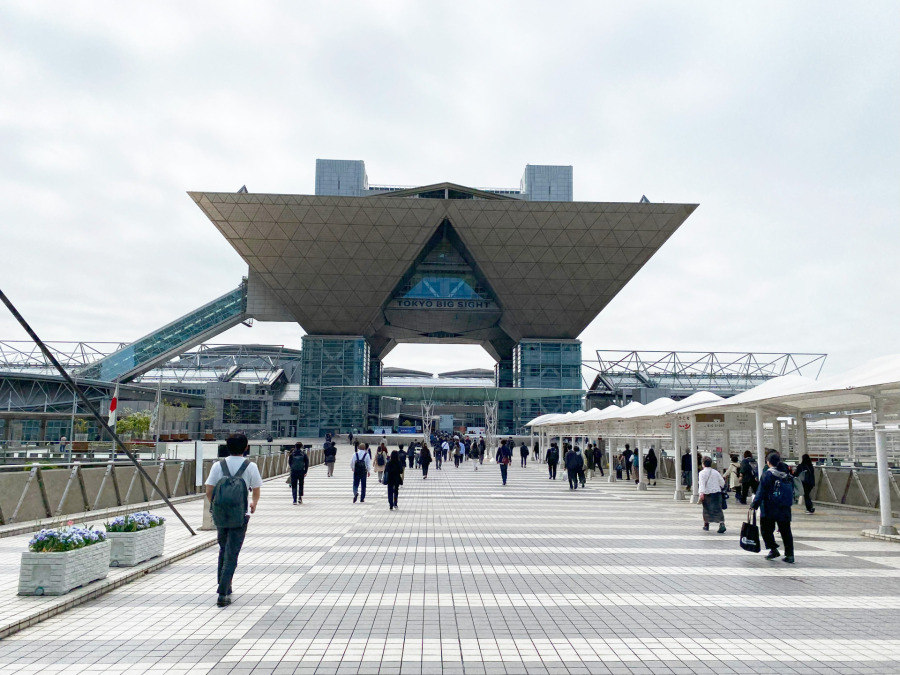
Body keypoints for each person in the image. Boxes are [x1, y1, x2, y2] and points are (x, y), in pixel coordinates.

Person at [205, 433, 263, 607]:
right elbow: (257, 489)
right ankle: (223, 592)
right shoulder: (250, 466)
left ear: (227, 446)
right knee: (233, 552)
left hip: (221, 514)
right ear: (246, 447)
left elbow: (209, 490)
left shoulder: (218, 466)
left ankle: (224, 584)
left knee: (223, 548)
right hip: (240, 515)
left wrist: (216, 505)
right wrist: (253, 503)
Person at [752, 452, 795, 563]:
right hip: (784, 507)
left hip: (769, 507)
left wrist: (755, 504)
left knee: (766, 530)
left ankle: (773, 549)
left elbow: (761, 491)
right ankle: (790, 555)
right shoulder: (786, 473)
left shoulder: (768, 474)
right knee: (786, 531)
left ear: (768, 462)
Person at [699, 456, 726, 533]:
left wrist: (701, 493)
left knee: (706, 509)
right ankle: (722, 524)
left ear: (703, 464)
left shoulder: (702, 473)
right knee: (718, 509)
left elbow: (702, 484)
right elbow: (722, 483)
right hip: (717, 493)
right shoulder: (715, 472)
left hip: (707, 494)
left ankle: (706, 525)